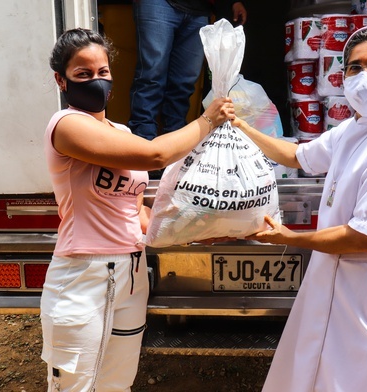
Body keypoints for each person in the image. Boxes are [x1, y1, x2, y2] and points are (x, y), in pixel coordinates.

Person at [232, 25, 367, 391]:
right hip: (331, 271)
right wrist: (239, 126)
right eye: (354, 67)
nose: (364, 76)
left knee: (359, 373)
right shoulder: (355, 128)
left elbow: (364, 237)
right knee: (316, 367)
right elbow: (299, 156)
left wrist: (290, 237)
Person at [41, 28, 234, 391]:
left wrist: (194, 233)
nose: (96, 81)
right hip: (83, 275)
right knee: (74, 385)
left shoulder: (122, 131)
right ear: (61, 80)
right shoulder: (66, 126)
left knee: (117, 383)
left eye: (102, 72)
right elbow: (156, 155)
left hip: (132, 272)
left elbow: (138, 212)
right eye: (83, 74)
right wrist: (207, 120)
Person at [128, 0, 247, 143]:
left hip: (200, 9)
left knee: (183, 84)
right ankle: (142, 145)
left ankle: (174, 149)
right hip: (159, 3)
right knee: (151, 77)